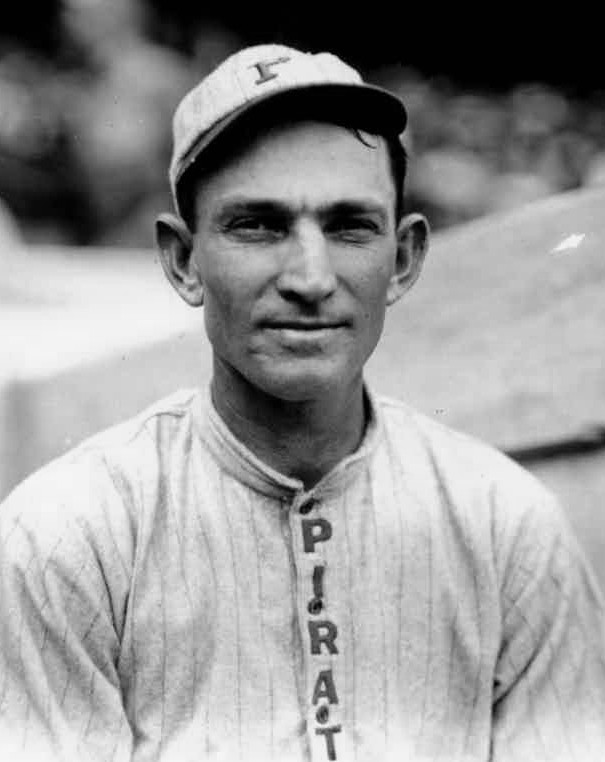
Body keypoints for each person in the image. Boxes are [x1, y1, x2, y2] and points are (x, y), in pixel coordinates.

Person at [1, 44, 604, 762]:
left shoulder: (506, 525)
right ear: (183, 261)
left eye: (349, 226)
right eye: (257, 225)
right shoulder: (69, 534)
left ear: (403, 258)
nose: (310, 277)